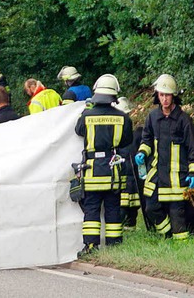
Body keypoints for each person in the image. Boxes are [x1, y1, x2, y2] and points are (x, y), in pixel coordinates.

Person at [135, 74, 194, 241]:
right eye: (161, 95)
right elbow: (147, 140)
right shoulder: (152, 117)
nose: (164, 99)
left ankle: (181, 249)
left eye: (168, 95)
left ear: (174, 96)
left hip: (176, 177)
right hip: (156, 174)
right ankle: (166, 236)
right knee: (151, 208)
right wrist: (142, 152)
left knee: (177, 215)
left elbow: (193, 148)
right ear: (157, 96)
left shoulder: (183, 120)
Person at [75, 74, 133, 255]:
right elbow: (126, 141)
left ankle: (91, 246)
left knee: (91, 209)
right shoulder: (123, 118)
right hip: (113, 170)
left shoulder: (87, 116)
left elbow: (78, 131)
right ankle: (114, 245)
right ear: (114, 95)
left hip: (92, 170)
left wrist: (86, 111)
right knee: (113, 208)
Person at [112, 97, 143, 229]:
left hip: (130, 176)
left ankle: (129, 229)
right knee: (125, 209)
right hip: (127, 176)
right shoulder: (130, 136)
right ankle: (127, 228)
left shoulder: (131, 136)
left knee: (131, 209)